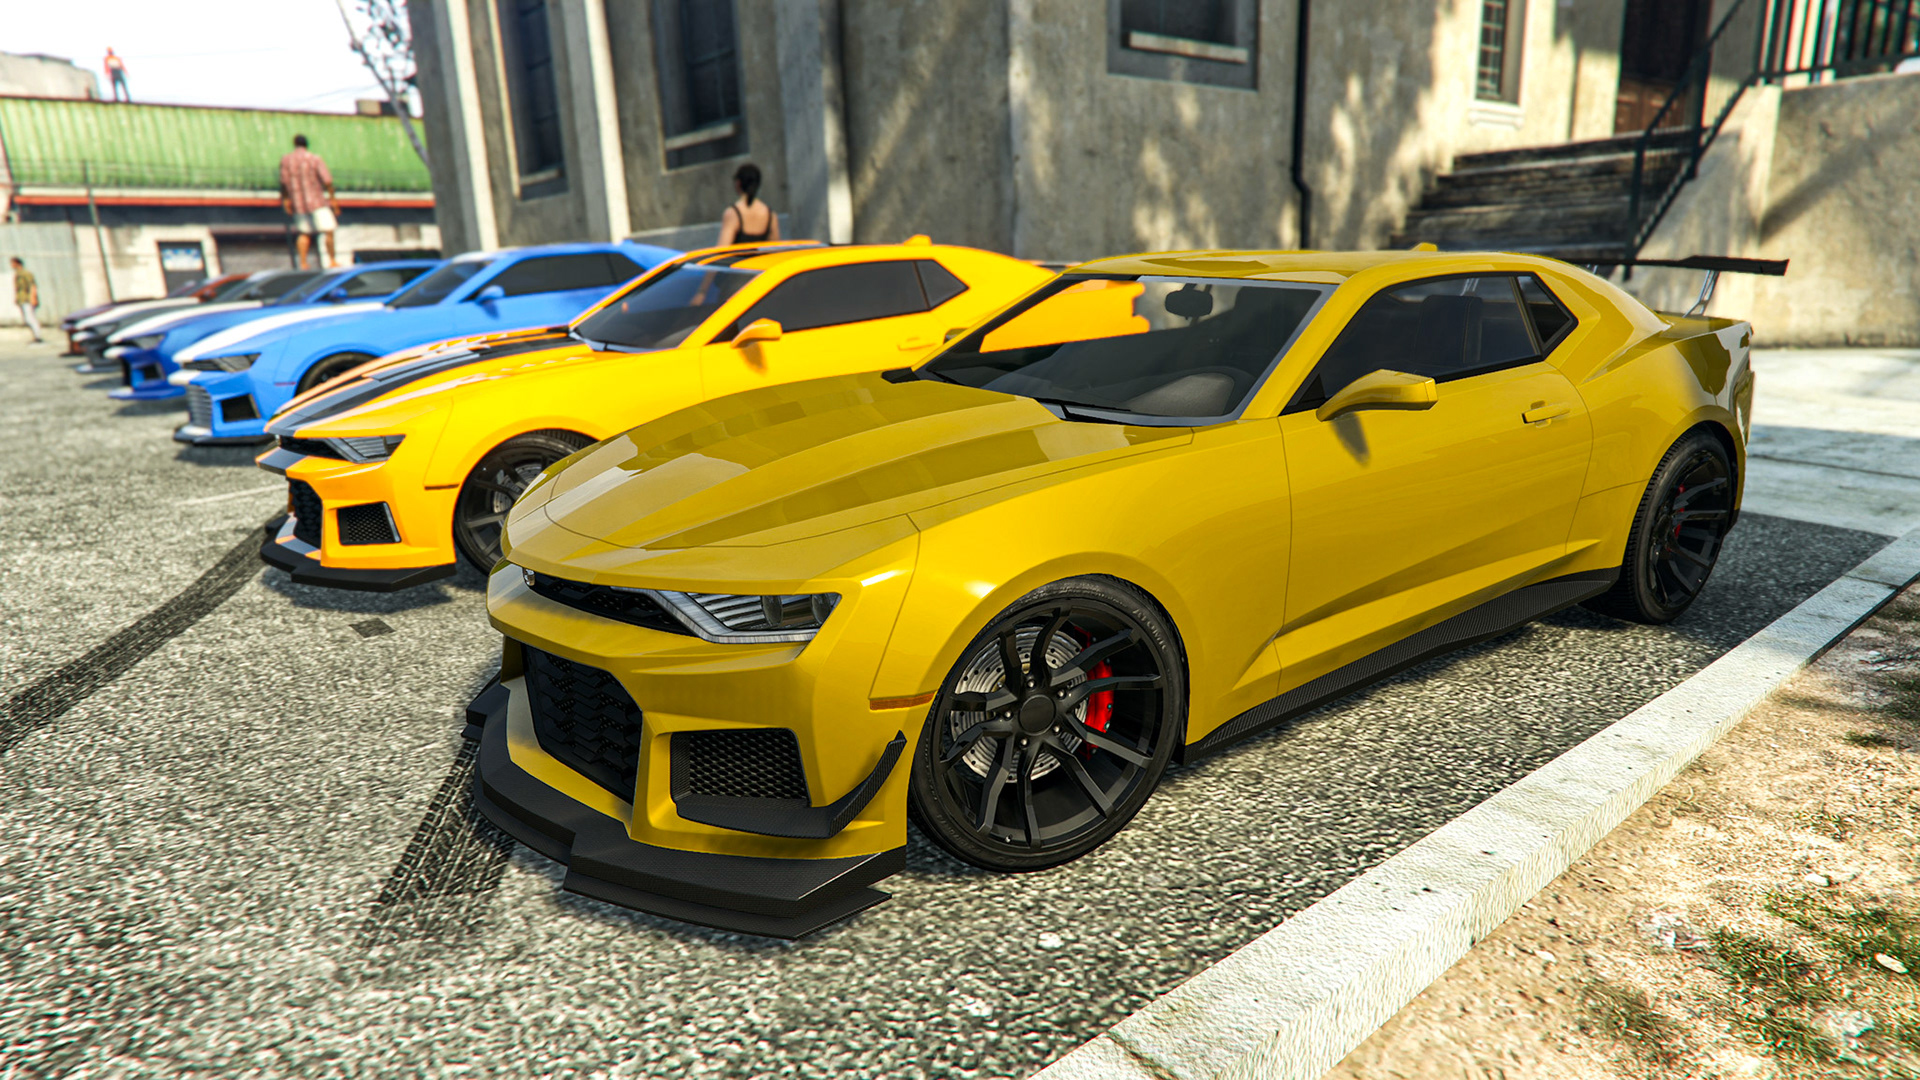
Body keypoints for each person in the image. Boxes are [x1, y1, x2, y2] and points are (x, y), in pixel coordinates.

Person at [278, 134, 340, 270]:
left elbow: (283, 182)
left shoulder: (286, 160)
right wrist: (333, 200)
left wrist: (286, 200)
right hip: (317, 202)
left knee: (304, 233)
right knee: (329, 230)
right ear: (306, 144)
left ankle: (303, 263)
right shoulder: (314, 158)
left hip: (298, 204)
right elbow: (327, 180)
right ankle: (332, 260)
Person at [717, 163, 779, 245]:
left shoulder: (733, 213)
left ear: (738, 183)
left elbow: (723, 247)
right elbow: (775, 248)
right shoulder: (771, 215)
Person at [12, 258, 43, 344]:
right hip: (22, 299)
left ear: (18, 263)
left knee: (30, 318)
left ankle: (38, 337)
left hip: (27, 299)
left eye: (13, 263)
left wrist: (33, 298)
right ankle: (35, 336)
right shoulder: (18, 274)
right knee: (27, 319)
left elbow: (32, 285)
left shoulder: (25, 273)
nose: (12, 265)